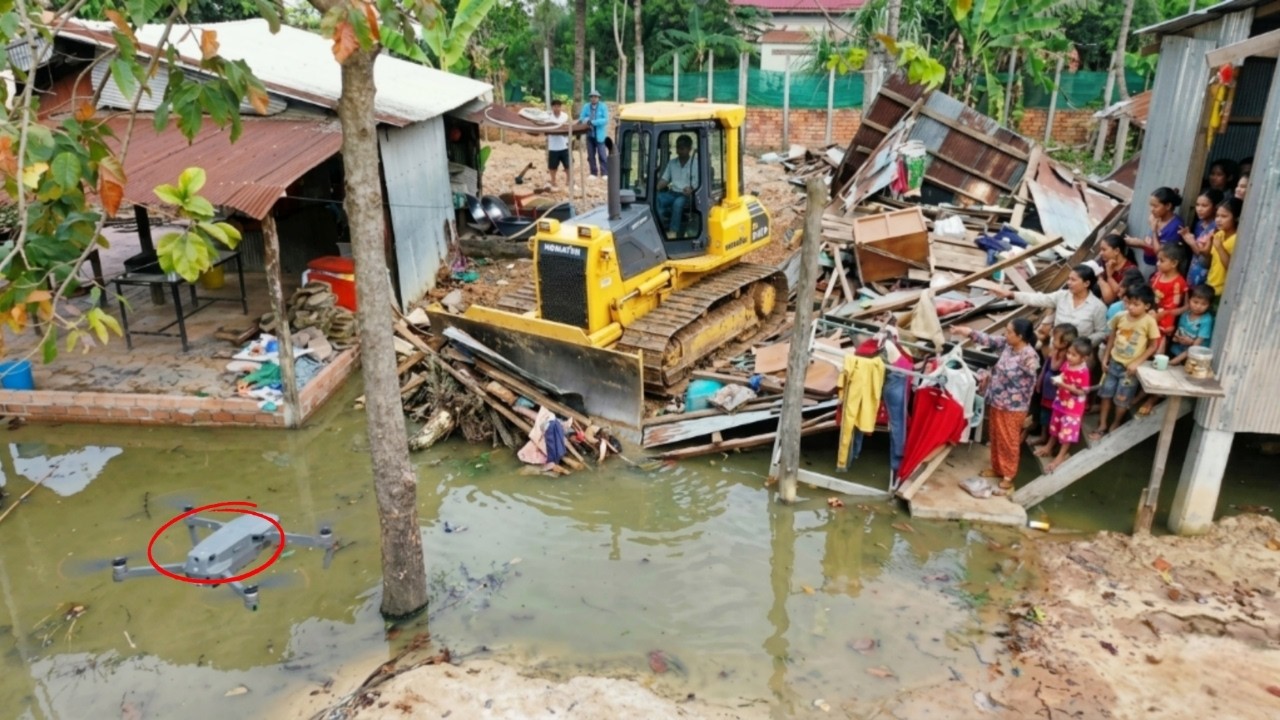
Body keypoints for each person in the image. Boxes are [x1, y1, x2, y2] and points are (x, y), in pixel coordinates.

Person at [952, 319, 1041, 492]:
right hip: (997, 399)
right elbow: (988, 340)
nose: (1005, 334)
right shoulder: (1007, 346)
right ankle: (997, 467)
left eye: (1009, 332)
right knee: (996, 435)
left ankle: (1008, 475)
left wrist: (1033, 367)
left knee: (1009, 440)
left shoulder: (1029, 355)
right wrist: (966, 331)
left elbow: (1033, 369)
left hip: (1014, 406)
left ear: (1020, 336)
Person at [1092, 285, 1161, 440]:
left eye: (1136, 305)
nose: (1131, 307)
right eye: (1129, 302)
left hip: (1130, 369)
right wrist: (1105, 358)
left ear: (1147, 306)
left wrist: (1137, 363)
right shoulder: (1120, 316)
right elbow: (1112, 337)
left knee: (1122, 400)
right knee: (1106, 395)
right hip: (1114, 363)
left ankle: (1115, 423)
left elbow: (1152, 346)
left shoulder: (1149, 322)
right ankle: (1102, 424)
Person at [990, 264, 1108, 344]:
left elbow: (1101, 333)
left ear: (1086, 283)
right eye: (1068, 279)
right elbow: (1038, 298)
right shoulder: (1062, 296)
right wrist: (1010, 294)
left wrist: (1082, 343)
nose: (1068, 282)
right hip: (1055, 349)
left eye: (1073, 280)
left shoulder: (1097, 307)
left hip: (1078, 357)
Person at [1034, 337, 1093, 472]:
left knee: (1067, 431)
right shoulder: (1067, 364)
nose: (1069, 357)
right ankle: (1049, 446)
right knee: (1056, 425)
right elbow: (1063, 374)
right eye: (1069, 353)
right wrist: (1060, 381)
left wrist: (1063, 385)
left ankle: (1061, 456)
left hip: (1073, 407)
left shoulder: (1083, 372)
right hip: (1061, 401)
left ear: (1083, 358)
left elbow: (1082, 391)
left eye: (1074, 355)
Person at [1029, 323, 1077, 447]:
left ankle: (1051, 441)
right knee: (1044, 414)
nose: (1053, 341)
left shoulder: (1067, 357)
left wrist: (1055, 353)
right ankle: (1043, 436)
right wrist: (1040, 379)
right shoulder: (1055, 350)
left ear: (1065, 343)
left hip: (1056, 393)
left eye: (1055, 339)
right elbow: (1046, 365)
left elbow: (1055, 367)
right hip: (1047, 389)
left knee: (1053, 417)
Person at [1126, 187, 1185, 272]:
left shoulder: (1175, 226)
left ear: (1168, 206)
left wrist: (1142, 244)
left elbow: (1163, 253)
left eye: (1155, 206)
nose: (1151, 209)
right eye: (1151, 205)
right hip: (1155, 265)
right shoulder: (1157, 218)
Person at [1179, 188, 1223, 288]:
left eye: (1204, 206)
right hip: (1194, 269)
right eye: (1197, 205)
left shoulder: (1216, 228)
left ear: (1215, 207)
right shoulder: (1199, 224)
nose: (1199, 209)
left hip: (1205, 273)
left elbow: (1205, 256)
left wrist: (1191, 242)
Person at [656, 135, 699, 237]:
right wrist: (656, 188)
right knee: (657, 199)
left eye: (682, 148)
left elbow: (698, 182)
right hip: (672, 193)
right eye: (678, 148)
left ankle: (673, 231)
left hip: (687, 196)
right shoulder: (672, 163)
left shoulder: (696, 164)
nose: (679, 151)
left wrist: (691, 189)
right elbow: (665, 180)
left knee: (678, 203)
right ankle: (659, 229)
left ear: (689, 149)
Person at [1150, 244, 1189, 344]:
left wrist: (1160, 315)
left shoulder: (1178, 283)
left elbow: (1175, 306)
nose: (1158, 264)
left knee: (1156, 342)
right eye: (1158, 260)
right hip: (1152, 312)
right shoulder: (1158, 275)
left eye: (1162, 261)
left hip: (1165, 320)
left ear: (1174, 263)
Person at [1168, 284, 1215, 366]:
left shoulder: (1206, 320)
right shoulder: (1185, 314)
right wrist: (1177, 338)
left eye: (1204, 304)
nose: (1198, 306)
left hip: (1193, 355)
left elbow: (1195, 346)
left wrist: (1174, 361)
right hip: (1178, 350)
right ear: (1189, 300)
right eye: (1195, 302)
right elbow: (1178, 333)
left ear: (1209, 306)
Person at [1206, 197, 1242, 300]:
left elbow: (1232, 267)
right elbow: (1212, 262)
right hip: (1210, 285)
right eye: (1217, 216)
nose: (1218, 220)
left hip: (1223, 291)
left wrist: (1219, 247)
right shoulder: (1219, 234)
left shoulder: (1237, 239)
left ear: (1236, 217)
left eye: (1224, 216)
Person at [1097, 234, 1138, 304]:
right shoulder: (1103, 262)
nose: (1100, 253)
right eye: (1100, 250)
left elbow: (1119, 294)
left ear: (1116, 251)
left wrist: (1109, 277)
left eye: (1104, 250)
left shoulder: (1131, 270)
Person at [578, 89, 609, 180]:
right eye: (592, 97)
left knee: (602, 154)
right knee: (591, 155)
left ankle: (604, 172)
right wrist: (587, 121)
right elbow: (582, 118)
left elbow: (605, 120)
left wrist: (593, 122)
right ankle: (593, 172)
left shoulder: (603, 107)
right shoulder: (586, 106)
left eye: (595, 97)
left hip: (600, 135)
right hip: (589, 134)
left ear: (598, 98)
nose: (593, 98)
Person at [546, 99, 571, 187]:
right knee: (552, 166)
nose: (556, 108)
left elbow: (568, 127)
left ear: (561, 107)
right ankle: (553, 181)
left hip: (564, 145)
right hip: (553, 146)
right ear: (552, 107)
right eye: (555, 106)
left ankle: (569, 181)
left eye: (558, 106)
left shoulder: (565, 116)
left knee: (568, 165)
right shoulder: (548, 117)